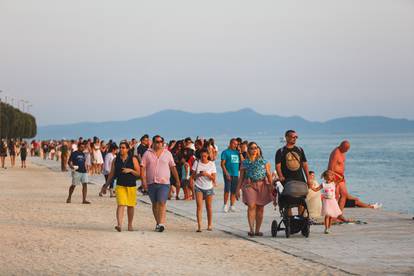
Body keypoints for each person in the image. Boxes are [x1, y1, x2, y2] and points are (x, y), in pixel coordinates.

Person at [141, 135, 181, 232]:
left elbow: (173, 167)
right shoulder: (147, 153)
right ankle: (158, 223)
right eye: (157, 142)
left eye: (160, 142)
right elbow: (143, 168)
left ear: (163, 143)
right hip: (151, 183)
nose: (159, 143)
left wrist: (177, 180)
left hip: (164, 183)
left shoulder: (167, 153)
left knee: (162, 202)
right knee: (155, 204)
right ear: (153, 143)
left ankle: (161, 223)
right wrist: (143, 182)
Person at [101, 141, 140, 232]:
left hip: (131, 185)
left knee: (130, 206)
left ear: (127, 149)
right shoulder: (116, 159)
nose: (121, 149)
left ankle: (130, 225)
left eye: (123, 148)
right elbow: (111, 174)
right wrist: (105, 186)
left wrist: (130, 170)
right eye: (120, 147)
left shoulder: (133, 159)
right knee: (121, 204)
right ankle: (119, 225)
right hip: (120, 185)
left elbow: (139, 173)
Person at [236, 142, 273, 237]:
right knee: (251, 206)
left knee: (260, 208)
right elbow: (241, 177)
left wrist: (272, 187)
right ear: (248, 150)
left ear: (258, 150)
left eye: (256, 148)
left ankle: (257, 230)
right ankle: (251, 229)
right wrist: (237, 190)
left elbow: (269, 175)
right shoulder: (245, 162)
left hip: (262, 185)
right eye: (252, 148)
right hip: (249, 185)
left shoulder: (264, 162)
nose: (254, 149)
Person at [275, 130, 311, 215]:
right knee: (288, 201)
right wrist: (280, 176)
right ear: (287, 137)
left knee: (301, 201)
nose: (294, 139)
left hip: (300, 178)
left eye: (296, 137)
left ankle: (301, 220)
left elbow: (305, 165)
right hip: (287, 179)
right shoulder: (280, 151)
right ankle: (289, 222)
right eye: (292, 137)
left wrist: (308, 179)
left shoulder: (299, 149)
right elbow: (278, 166)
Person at [190, 148, 217, 232]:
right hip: (199, 187)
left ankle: (209, 225)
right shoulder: (197, 163)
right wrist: (199, 175)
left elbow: (214, 178)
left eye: (205, 156)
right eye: (202, 156)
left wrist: (207, 174)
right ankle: (199, 226)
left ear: (208, 155)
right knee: (199, 206)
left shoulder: (211, 164)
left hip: (209, 187)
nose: (203, 158)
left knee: (209, 207)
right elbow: (193, 177)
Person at [221, 138, 241, 213]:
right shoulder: (225, 152)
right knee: (227, 189)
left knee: (233, 190)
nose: (235, 145)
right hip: (228, 174)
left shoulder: (237, 153)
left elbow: (242, 161)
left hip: (235, 174)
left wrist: (240, 152)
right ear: (230, 143)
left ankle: (232, 205)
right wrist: (226, 173)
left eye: (236, 144)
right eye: (234, 144)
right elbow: (222, 164)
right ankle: (225, 205)